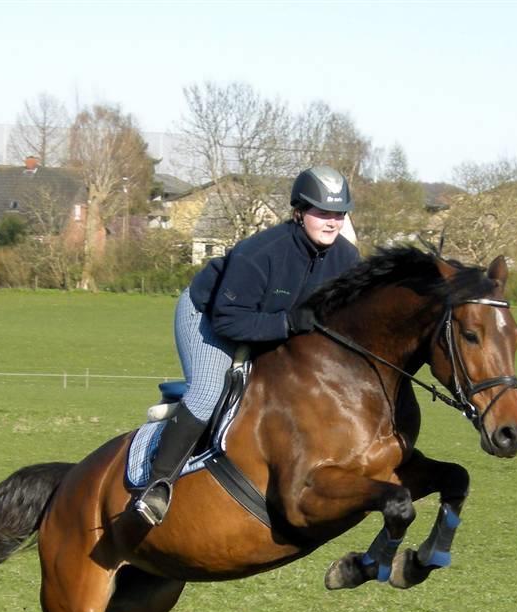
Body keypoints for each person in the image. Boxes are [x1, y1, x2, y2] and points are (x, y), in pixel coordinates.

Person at [134, 165, 361, 526]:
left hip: (267, 323)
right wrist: (286, 324)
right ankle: (157, 485)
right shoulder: (261, 253)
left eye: (338, 213)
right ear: (299, 211)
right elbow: (229, 321)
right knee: (210, 390)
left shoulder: (346, 259)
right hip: (209, 316)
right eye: (322, 212)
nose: (332, 221)